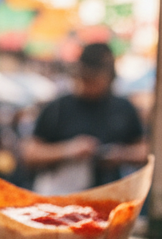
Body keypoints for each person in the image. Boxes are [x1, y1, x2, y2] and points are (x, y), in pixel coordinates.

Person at [22, 43, 147, 193]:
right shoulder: (58, 108)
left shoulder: (122, 108)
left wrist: (120, 154)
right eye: (86, 77)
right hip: (63, 195)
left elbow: (145, 151)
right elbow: (30, 153)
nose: (89, 83)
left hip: (110, 193)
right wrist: (69, 150)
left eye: (95, 77)